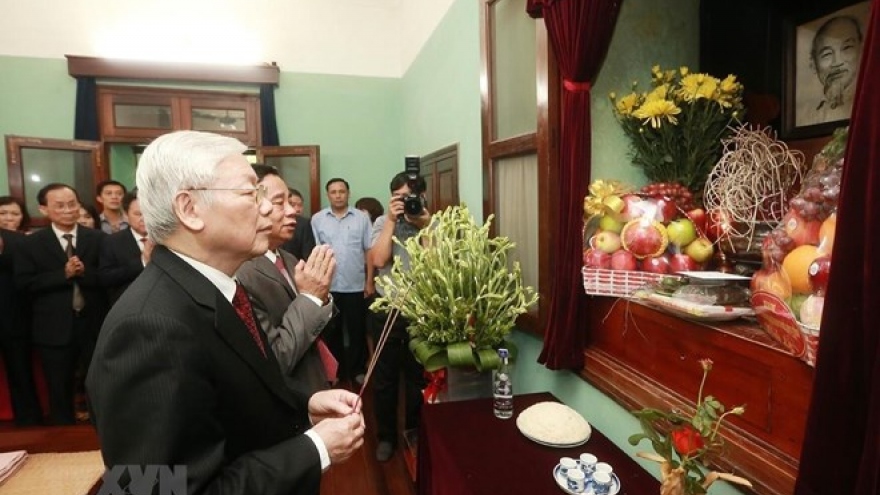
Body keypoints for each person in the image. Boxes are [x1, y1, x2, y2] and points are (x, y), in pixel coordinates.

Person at [86, 131, 364, 495]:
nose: (267, 209)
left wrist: (305, 409)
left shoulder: (216, 287)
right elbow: (155, 490)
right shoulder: (150, 326)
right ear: (189, 209)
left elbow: (229, 404)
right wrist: (316, 449)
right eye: (251, 193)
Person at [236, 164, 337, 396]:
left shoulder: (289, 258)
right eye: (280, 203)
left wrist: (321, 296)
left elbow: (317, 324)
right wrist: (311, 297)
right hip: (289, 395)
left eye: (291, 203)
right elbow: (277, 358)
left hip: (315, 381)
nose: (292, 211)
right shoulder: (242, 272)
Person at [15, 183, 108, 425]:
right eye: (59, 205)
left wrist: (85, 273)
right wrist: (62, 274)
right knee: (59, 387)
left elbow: (109, 277)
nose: (68, 210)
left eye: (72, 204)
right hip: (53, 328)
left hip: (94, 325)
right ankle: (62, 439)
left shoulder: (98, 239)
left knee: (100, 384)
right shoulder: (30, 244)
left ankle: (103, 433)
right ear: (44, 209)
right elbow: (23, 284)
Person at [368, 173, 431, 462]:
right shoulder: (382, 223)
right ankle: (386, 438)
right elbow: (379, 260)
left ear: (423, 196)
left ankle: (414, 431)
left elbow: (437, 262)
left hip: (421, 310)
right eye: (399, 197)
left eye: (410, 197)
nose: (406, 203)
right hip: (388, 309)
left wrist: (425, 226)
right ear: (391, 197)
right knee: (385, 379)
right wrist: (392, 221)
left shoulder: (432, 222)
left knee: (418, 377)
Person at [311, 179, 373, 386]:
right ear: (327, 195)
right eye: (333, 192)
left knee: (356, 331)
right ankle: (335, 372)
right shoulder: (318, 219)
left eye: (342, 191)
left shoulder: (362, 219)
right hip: (328, 285)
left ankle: (356, 370)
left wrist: (370, 281)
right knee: (332, 331)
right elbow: (315, 253)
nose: (338, 195)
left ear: (348, 193)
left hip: (356, 285)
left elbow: (369, 250)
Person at [0, 210, 42, 425]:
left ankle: (29, 422)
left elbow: (26, 279)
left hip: (13, 318)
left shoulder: (17, 240)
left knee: (21, 374)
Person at [98, 190, 153, 305]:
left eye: (149, 213)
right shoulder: (112, 242)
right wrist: (142, 262)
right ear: (126, 215)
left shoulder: (167, 239)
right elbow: (106, 277)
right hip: (128, 305)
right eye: (138, 214)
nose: (144, 219)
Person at [809, 15, 863, 124]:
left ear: (861, 51)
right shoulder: (809, 116)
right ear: (814, 65)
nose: (837, 62)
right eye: (827, 54)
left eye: (847, 48)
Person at [282, 188, 317, 261]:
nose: (297, 209)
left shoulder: (304, 224)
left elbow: (308, 255)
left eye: (300, 205)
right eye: (292, 204)